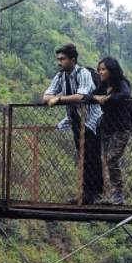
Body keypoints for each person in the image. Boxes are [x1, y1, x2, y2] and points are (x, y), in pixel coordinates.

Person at [43, 43, 103, 204]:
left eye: (62, 59)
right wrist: (55, 98)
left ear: (72, 60)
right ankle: (85, 194)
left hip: (92, 119)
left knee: (93, 156)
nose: (59, 62)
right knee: (82, 156)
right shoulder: (60, 76)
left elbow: (82, 95)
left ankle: (96, 194)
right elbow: (46, 96)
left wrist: (59, 99)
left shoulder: (82, 73)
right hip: (76, 120)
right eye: (59, 59)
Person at [82, 56, 132, 204]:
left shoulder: (121, 83)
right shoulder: (102, 87)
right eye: (99, 70)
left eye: (103, 69)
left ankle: (118, 195)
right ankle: (108, 195)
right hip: (107, 128)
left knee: (112, 158)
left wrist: (108, 98)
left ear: (111, 70)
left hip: (122, 127)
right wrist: (95, 98)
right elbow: (90, 96)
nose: (100, 72)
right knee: (106, 160)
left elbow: (126, 95)